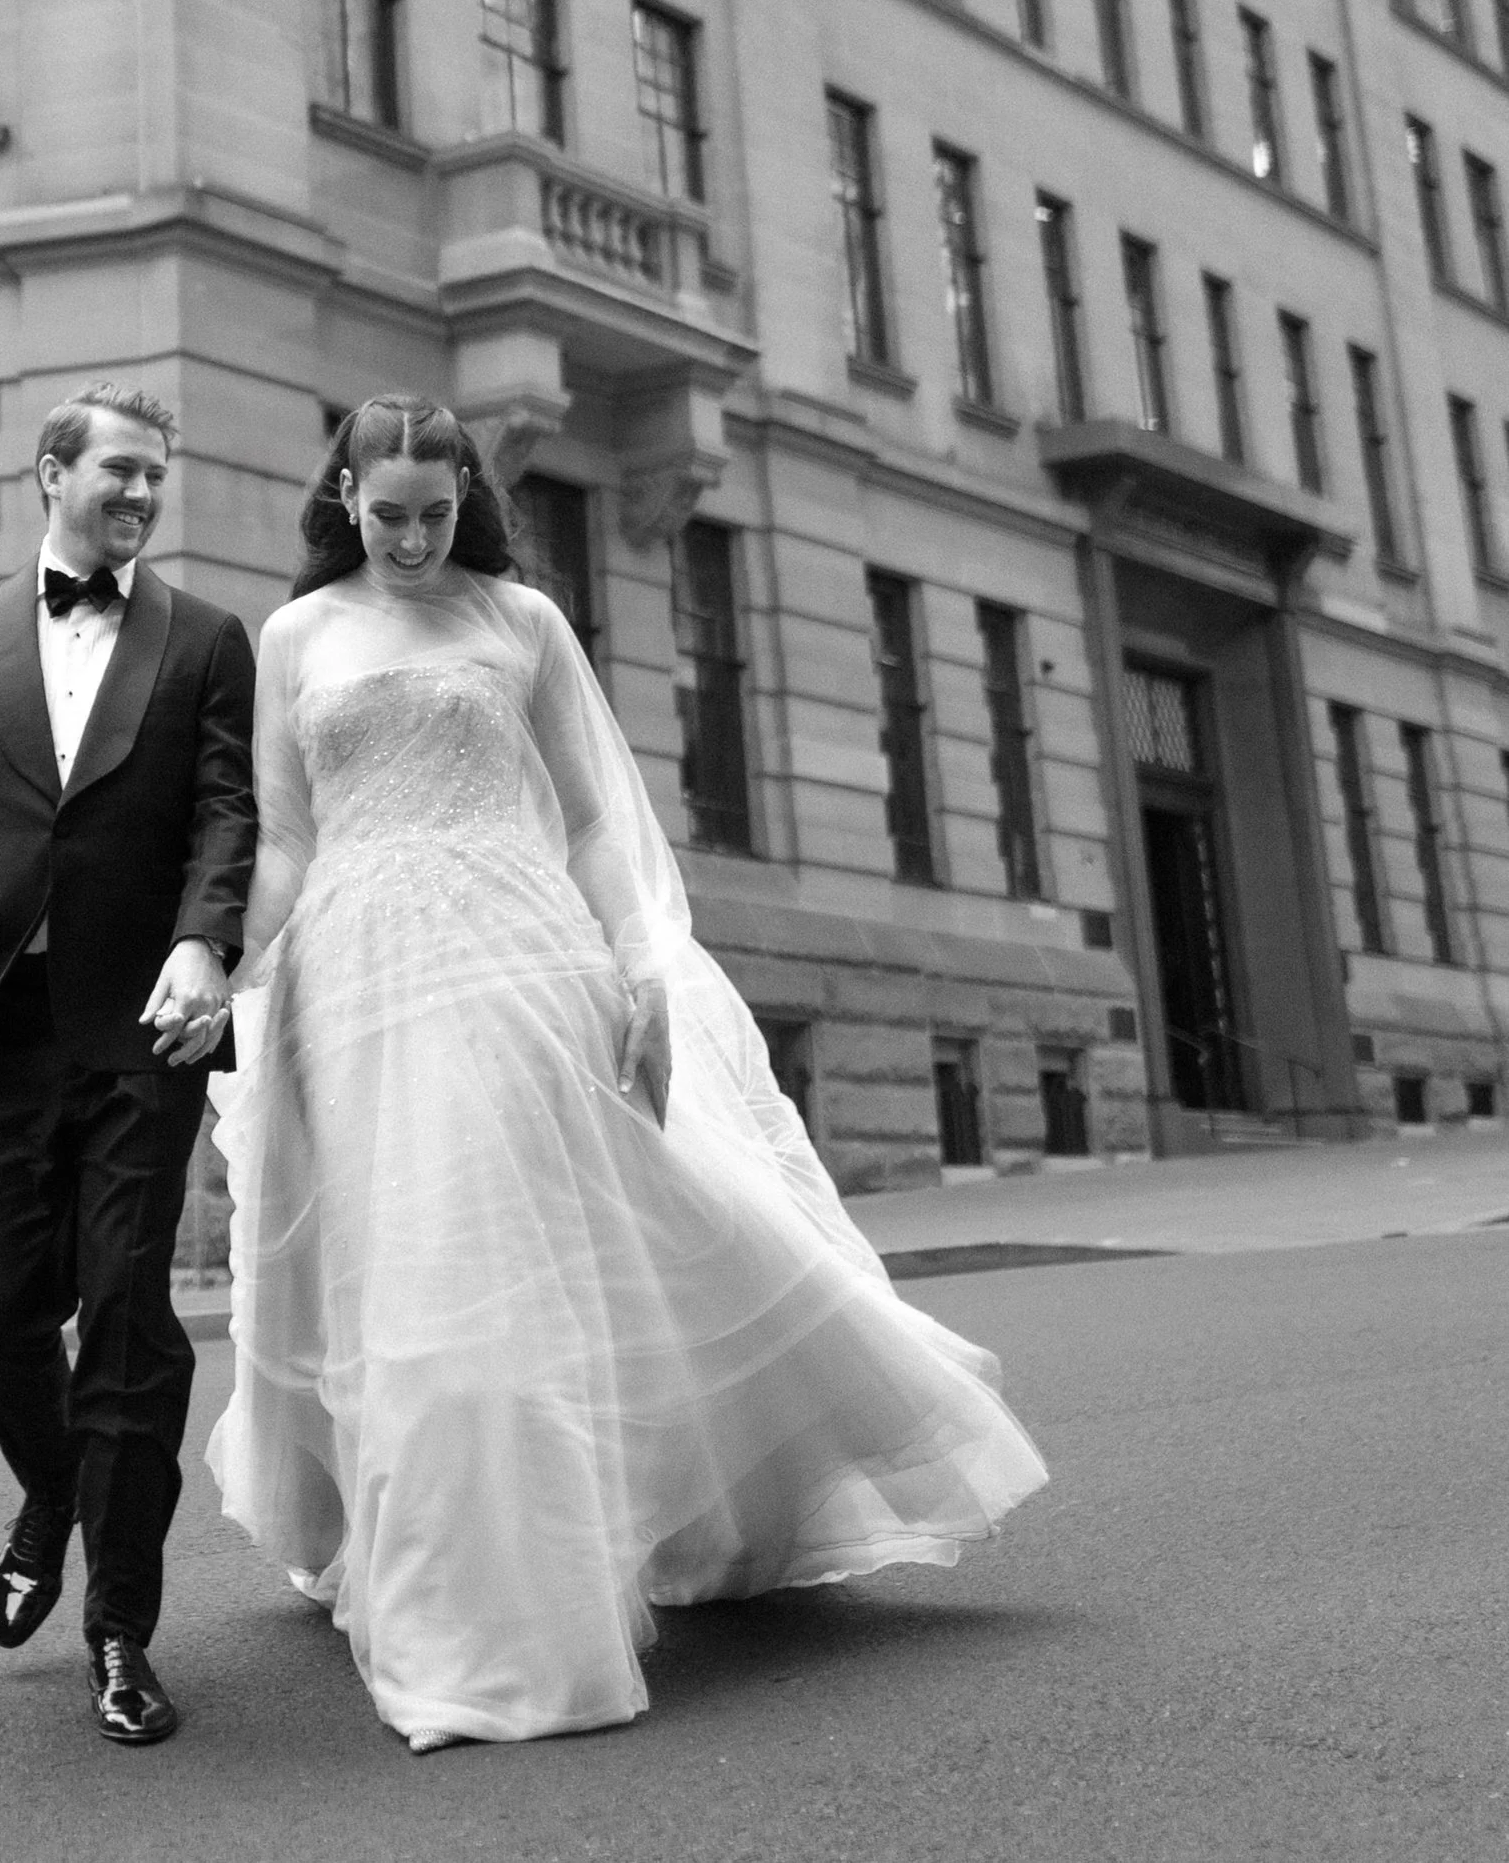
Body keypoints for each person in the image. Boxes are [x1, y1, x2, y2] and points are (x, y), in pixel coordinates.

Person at [206, 396, 1048, 1750]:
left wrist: (644, 966)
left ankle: (502, 1619)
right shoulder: (297, 634)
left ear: (464, 496)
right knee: (393, 1268)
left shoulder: (521, 622)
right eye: (388, 511)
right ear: (345, 497)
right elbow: (290, 833)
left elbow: (597, 816)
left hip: (517, 952)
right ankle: (437, 1564)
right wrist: (228, 961)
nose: (414, 536)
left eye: (435, 510)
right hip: (351, 973)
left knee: (525, 1259)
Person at [0, 384, 257, 1749]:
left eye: (158, 478)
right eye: (122, 471)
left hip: (144, 1027)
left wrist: (208, 945)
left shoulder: (205, 638)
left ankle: (123, 1631)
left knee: (130, 1320)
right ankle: (55, 1481)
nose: (142, 495)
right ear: (52, 473)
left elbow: (225, 809)